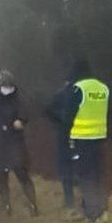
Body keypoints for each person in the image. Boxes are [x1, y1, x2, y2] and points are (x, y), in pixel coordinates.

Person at [0, 70, 39, 217]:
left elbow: (24, 114)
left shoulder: (18, 101)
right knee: (2, 178)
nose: (8, 88)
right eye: (5, 85)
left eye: (10, 85)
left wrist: (21, 121)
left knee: (22, 174)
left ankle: (33, 204)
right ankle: (6, 206)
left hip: (15, 143)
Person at [57, 59, 110, 221]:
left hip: (81, 139)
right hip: (99, 137)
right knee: (97, 173)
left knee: (85, 175)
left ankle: (91, 212)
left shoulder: (78, 89)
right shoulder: (103, 88)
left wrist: (64, 136)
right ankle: (101, 207)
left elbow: (68, 117)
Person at [45, 80, 75, 209]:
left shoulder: (61, 94)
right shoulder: (75, 93)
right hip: (78, 135)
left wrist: (59, 122)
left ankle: (69, 201)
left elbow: (48, 110)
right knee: (72, 167)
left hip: (66, 134)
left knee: (66, 168)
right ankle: (73, 200)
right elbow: (48, 110)